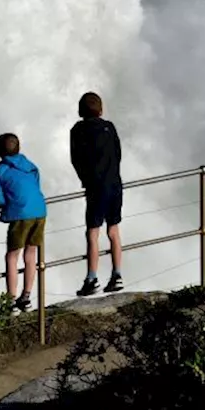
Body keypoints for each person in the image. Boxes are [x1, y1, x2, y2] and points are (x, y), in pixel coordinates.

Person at [0, 132, 47, 312]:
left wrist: (8, 204)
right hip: (40, 211)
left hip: (20, 214)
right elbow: (36, 185)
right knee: (31, 254)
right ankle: (26, 297)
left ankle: (11, 301)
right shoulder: (31, 166)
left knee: (12, 256)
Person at [70, 91, 123, 296]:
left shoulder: (78, 130)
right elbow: (118, 154)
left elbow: (76, 159)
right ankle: (117, 275)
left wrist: (86, 179)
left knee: (92, 232)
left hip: (95, 187)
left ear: (80, 110)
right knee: (114, 231)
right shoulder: (109, 128)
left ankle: (92, 278)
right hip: (115, 184)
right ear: (100, 109)